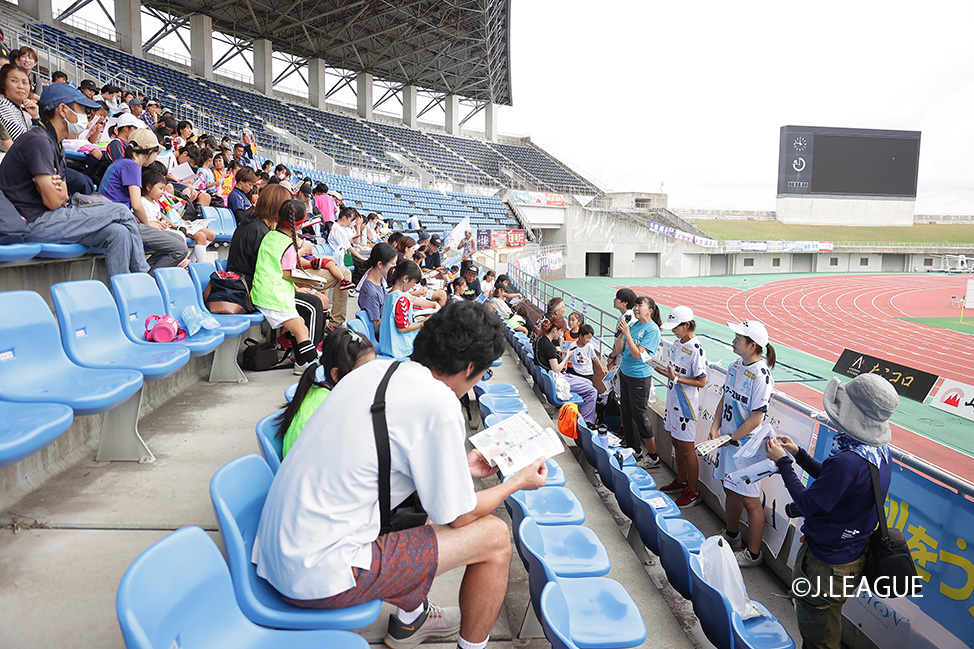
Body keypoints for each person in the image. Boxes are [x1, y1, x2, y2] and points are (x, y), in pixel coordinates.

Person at [254, 300, 548, 649]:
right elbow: (459, 517)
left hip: (281, 554)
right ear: (469, 367)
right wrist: (518, 481)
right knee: (495, 536)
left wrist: (460, 467)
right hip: (316, 576)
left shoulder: (375, 371)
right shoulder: (438, 404)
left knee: (421, 517)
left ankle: (414, 619)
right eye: (483, 373)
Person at [766, 373, 897, 649]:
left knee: (819, 633)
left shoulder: (848, 461)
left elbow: (810, 503)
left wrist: (783, 463)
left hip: (826, 564)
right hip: (847, 557)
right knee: (827, 618)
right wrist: (799, 454)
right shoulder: (876, 452)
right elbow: (834, 483)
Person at [0, 83, 149, 277]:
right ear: (63, 110)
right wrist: (59, 193)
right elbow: (54, 201)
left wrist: (60, 192)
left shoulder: (54, 143)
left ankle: (124, 297)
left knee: (118, 233)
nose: (85, 116)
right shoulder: (38, 140)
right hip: (33, 223)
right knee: (120, 210)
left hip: (51, 218)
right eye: (82, 109)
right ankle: (143, 277)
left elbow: (63, 197)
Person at [708, 319, 777, 567]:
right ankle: (732, 535)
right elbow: (725, 398)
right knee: (730, 490)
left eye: (739, 337)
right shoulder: (735, 365)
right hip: (728, 443)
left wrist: (732, 437)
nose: (734, 340)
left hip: (745, 448)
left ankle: (754, 554)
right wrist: (715, 426)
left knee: (750, 500)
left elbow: (757, 418)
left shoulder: (762, 376)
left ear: (753, 345)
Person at [228, 184, 328, 344]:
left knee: (317, 299)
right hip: (252, 290)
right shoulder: (258, 230)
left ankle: (295, 343)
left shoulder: (256, 225)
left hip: (258, 285)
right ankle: (308, 351)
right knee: (314, 303)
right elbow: (269, 268)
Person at [276, 328, 376, 458]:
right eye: (364, 372)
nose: (373, 377)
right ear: (335, 374)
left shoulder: (324, 391)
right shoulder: (330, 409)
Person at [99, 128, 188, 273]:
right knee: (179, 248)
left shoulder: (122, 162)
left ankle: (146, 274)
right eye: (156, 153)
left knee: (177, 241)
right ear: (148, 152)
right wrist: (148, 224)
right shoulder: (132, 166)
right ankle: (147, 279)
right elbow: (136, 204)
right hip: (120, 223)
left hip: (116, 218)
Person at [251, 199, 324, 373]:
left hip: (262, 290)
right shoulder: (289, 244)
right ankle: (313, 365)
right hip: (273, 296)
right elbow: (287, 273)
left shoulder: (270, 235)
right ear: (300, 223)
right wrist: (312, 280)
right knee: (300, 330)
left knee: (301, 327)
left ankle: (305, 363)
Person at [655, 306, 708, 508]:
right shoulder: (677, 343)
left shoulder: (697, 349)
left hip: (686, 406)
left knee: (687, 449)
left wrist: (676, 378)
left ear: (687, 325)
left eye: (676, 327)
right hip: (673, 400)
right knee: (676, 444)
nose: (673, 331)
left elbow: (701, 382)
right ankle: (682, 480)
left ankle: (693, 491)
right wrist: (658, 367)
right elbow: (672, 372)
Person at [617, 295, 662, 469]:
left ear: (650, 310)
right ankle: (634, 449)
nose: (636, 308)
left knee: (639, 415)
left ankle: (653, 456)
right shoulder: (633, 325)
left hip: (639, 376)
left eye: (640, 306)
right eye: (635, 306)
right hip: (625, 372)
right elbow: (620, 348)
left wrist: (627, 334)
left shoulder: (652, 330)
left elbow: (638, 355)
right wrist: (622, 334)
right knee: (626, 412)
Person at [534, 315, 598, 426]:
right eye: (560, 332)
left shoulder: (540, 340)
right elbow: (557, 368)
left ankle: (581, 414)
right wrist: (567, 356)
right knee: (592, 391)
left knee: (588, 383)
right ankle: (586, 422)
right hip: (557, 379)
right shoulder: (548, 346)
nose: (561, 335)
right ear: (554, 330)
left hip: (553, 378)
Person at [143, 169, 214, 265]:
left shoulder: (157, 202)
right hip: (155, 230)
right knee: (183, 236)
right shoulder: (142, 201)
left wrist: (173, 224)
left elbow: (161, 215)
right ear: (148, 187)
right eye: (160, 188)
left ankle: (191, 261)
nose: (162, 192)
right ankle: (192, 262)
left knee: (210, 234)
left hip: (171, 225)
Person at [379, 260, 438, 359]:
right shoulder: (402, 299)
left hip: (387, 346)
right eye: (413, 283)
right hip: (400, 349)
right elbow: (402, 328)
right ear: (405, 279)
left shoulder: (390, 295)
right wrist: (422, 323)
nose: (412, 287)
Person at [358, 242, 398, 334]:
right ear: (380, 264)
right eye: (392, 264)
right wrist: (396, 315)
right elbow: (375, 326)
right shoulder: (370, 292)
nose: (394, 268)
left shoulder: (382, 279)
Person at [0, 63, 38, 147]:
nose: (21, 86)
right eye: (14, 81)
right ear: (3, 84)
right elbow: (23, 142)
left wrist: (35, 117)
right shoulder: (3, 105)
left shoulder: (24, 112)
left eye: (25, 82)